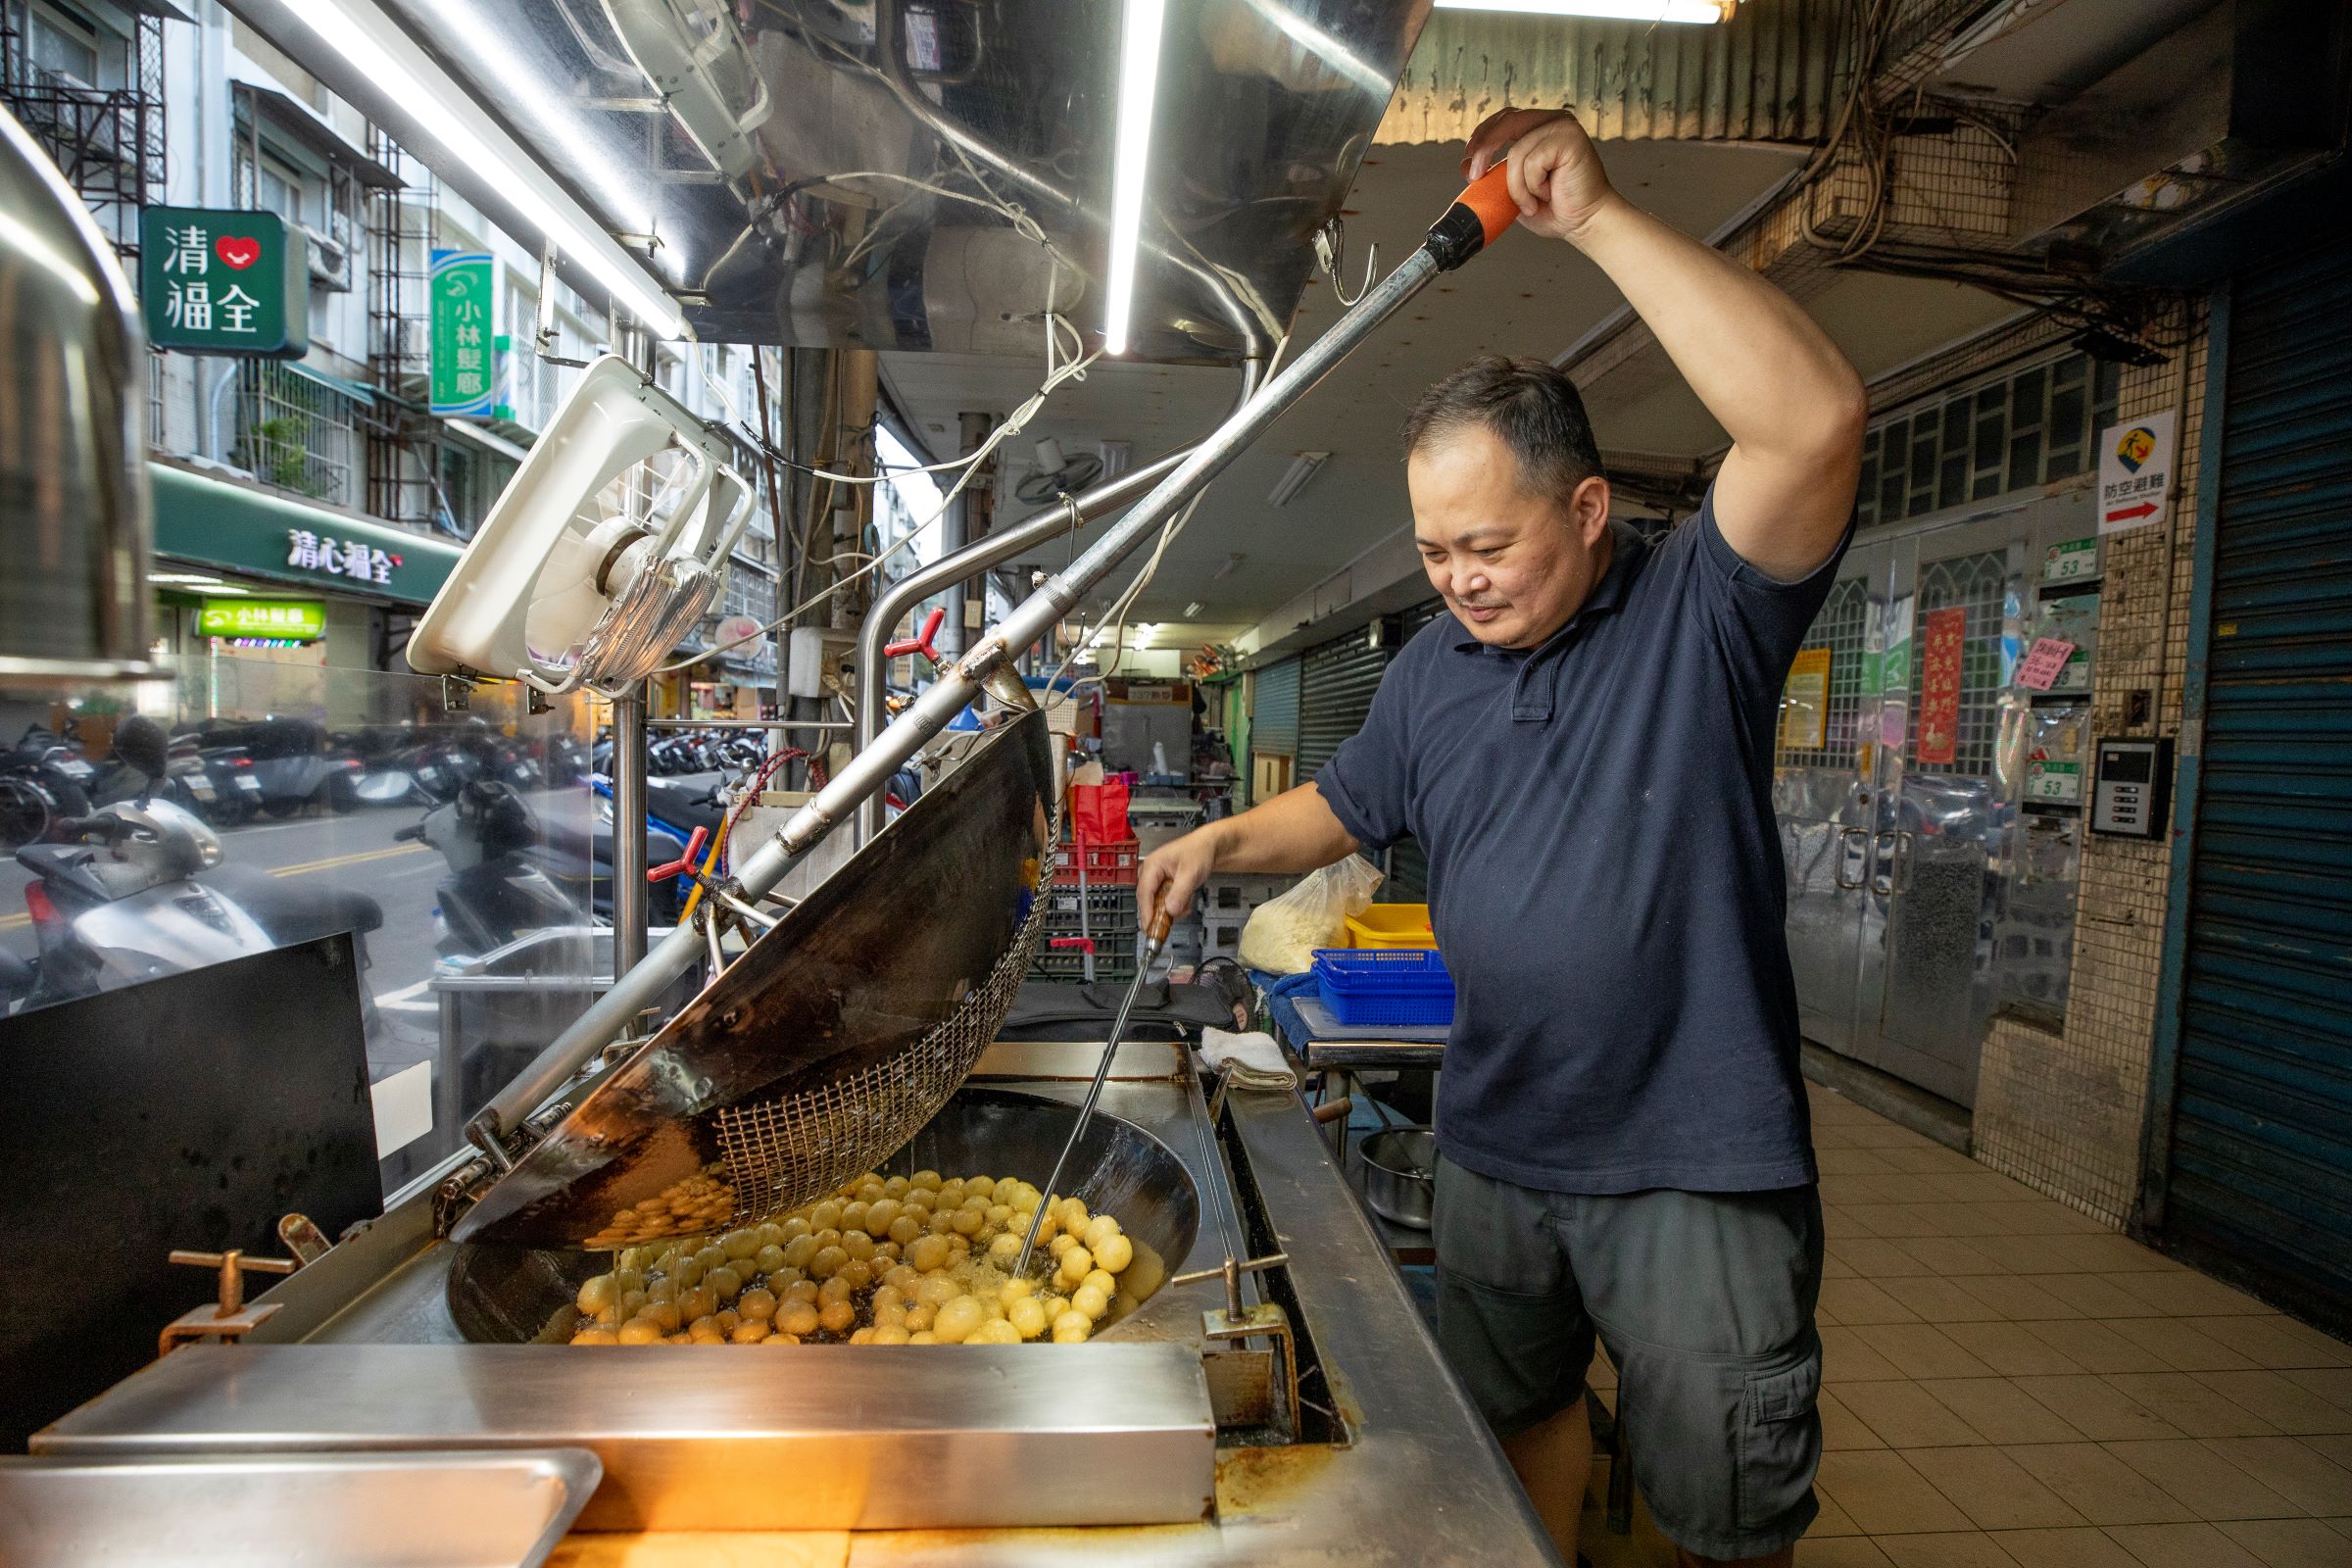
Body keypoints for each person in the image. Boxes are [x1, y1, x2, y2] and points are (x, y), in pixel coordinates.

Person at [1137, 107, 1864, 1568]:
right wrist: (1217, 840)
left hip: (1689, 1167)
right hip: (1499, 1142)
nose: (1458, 580)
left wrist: (1594, 217)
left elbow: (1813, 421)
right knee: (1507, 1423)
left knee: (1719, 1508)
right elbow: (1344, 807)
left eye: (1490, 545)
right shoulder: (1430, 674)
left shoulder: (1698, 618)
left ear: (1589, 510)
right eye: (1433, 551)